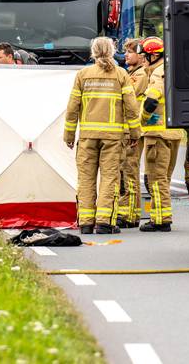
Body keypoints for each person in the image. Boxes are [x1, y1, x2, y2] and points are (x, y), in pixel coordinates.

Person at [64, 37, 141, 234]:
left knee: (86, 179)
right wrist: (134, 133)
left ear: (93, 52)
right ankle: (104, 222)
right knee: (109, 178)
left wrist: (69, 135)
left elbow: (73, 107)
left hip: (88, 137)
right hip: (113, 138)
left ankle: (86, 222)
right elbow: (132, 107)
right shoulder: (121, 74)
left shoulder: (83, 74)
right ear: (112, 51)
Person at [138, 36, 186, 232]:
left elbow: (151, 101)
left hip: (157, 135)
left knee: (156, 180)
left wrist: (141, 120)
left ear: (153, 55)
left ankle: (161, 220)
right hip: (173, 134)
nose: (142, 59)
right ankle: (159, 216)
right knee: (163, 179)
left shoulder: (158, 73)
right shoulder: (171, 70)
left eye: (145, 56)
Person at [116, 38, 151, 228]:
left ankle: (129, 214)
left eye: (130, 51)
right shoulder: (133, 73)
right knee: (127, 169)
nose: (126, 55)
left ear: (141, 55)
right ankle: (132, 212)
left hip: (131, 130)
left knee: (129, 170)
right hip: (128, 129)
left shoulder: (140, 75)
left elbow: (126, 97)